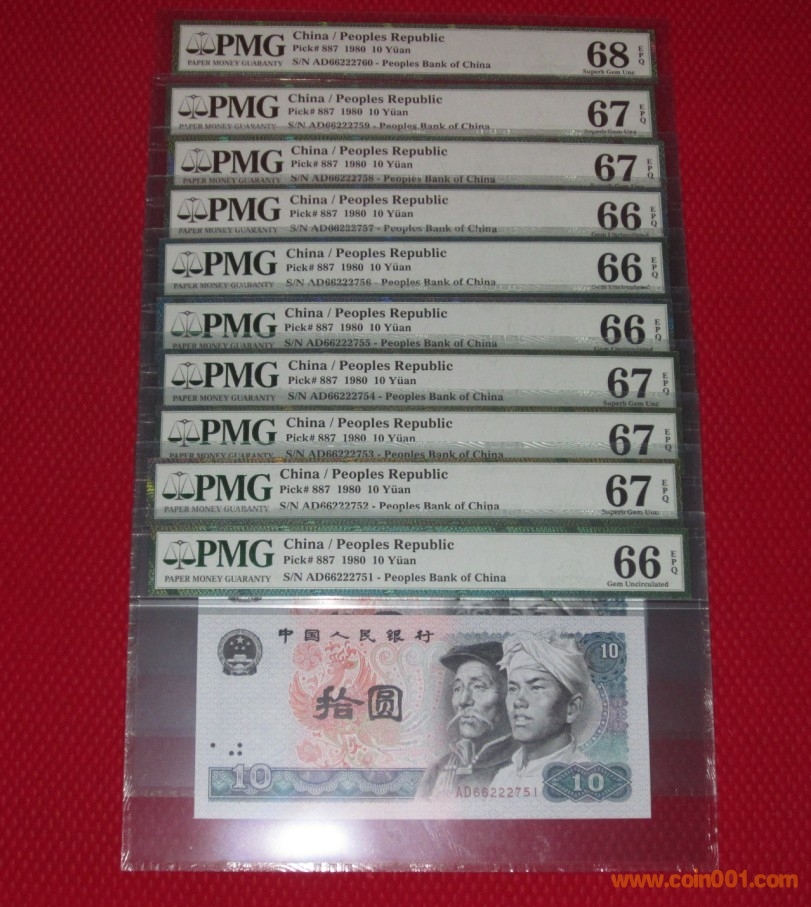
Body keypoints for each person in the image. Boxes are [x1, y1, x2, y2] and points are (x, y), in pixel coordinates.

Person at [491, 630, 599, 785]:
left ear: (572, 708)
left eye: (536, 688)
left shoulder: (585, 779)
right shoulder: (502, 778)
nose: (518, 701)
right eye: (513, 688)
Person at [418, 641, 515, 798]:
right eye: (458, 688)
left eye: (478, 687)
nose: (463, 701)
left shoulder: (527, 764)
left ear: (509, 694)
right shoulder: (438, 769)